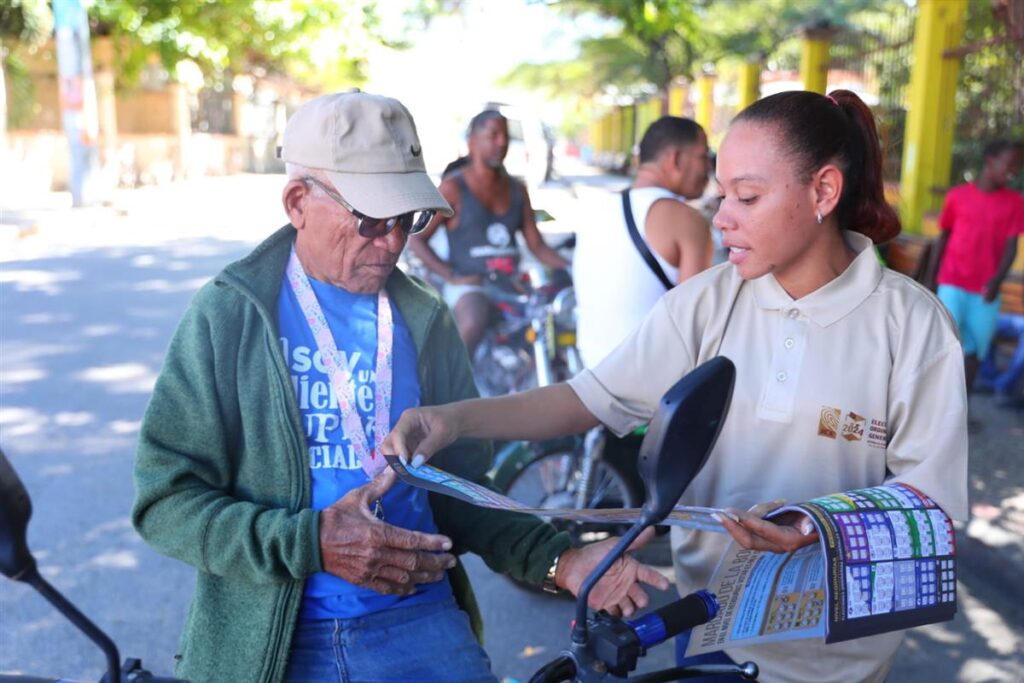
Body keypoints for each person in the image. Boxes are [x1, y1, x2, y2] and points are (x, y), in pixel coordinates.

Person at [384, 90, 968, 683]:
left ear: (823, 191)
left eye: (747, 197)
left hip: (842, 659)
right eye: (720, 195)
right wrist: (452, 420)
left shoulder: (912, 325)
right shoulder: (707, 302)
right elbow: (585, 398)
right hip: (711, 631)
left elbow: (934, 505)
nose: (720, 218)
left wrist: (816, 525)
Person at [131, 90, 669, 683]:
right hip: (272, 636)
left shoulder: (425, 320)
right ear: (298, 202)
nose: (392, 242)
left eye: (407, 219)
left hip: (418, 619)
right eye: (370, 219)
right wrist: (312, 542)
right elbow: (166, 501)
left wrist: (559, 560)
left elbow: (461, 490)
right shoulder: (228, 316)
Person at [408, 109, 569, 357]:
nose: (502, 142)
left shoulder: (517, 190)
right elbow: (417, 238)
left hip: (510, 284)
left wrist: (572, 268)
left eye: (504, 135)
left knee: (553, 325)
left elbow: (537, 246)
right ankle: (452, 387)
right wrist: (451, 275)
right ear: (473, 141)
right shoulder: (453, 188)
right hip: (470, 285)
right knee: (473, 319)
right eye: (493, 135)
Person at [574, 115, 712, 369]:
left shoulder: (598, 209)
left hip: (590, 371)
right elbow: (697, 323)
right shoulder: (687, 220)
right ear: (677, 159)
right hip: (645, 382)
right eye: (704, 156)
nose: (709, 168)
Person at [927, 139, 1024, 394]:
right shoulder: (957, 196)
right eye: (1010, 163)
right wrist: (932, 278)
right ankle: (931, 406)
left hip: (985, 291)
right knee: (942, 346)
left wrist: (996, 282)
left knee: (973, 352)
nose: (1015, 169)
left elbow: (1011, 248)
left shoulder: (1014, 203)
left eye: (1018, 165)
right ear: (990, 161)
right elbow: (943, 238)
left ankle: (961, 409)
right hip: (951, 282)